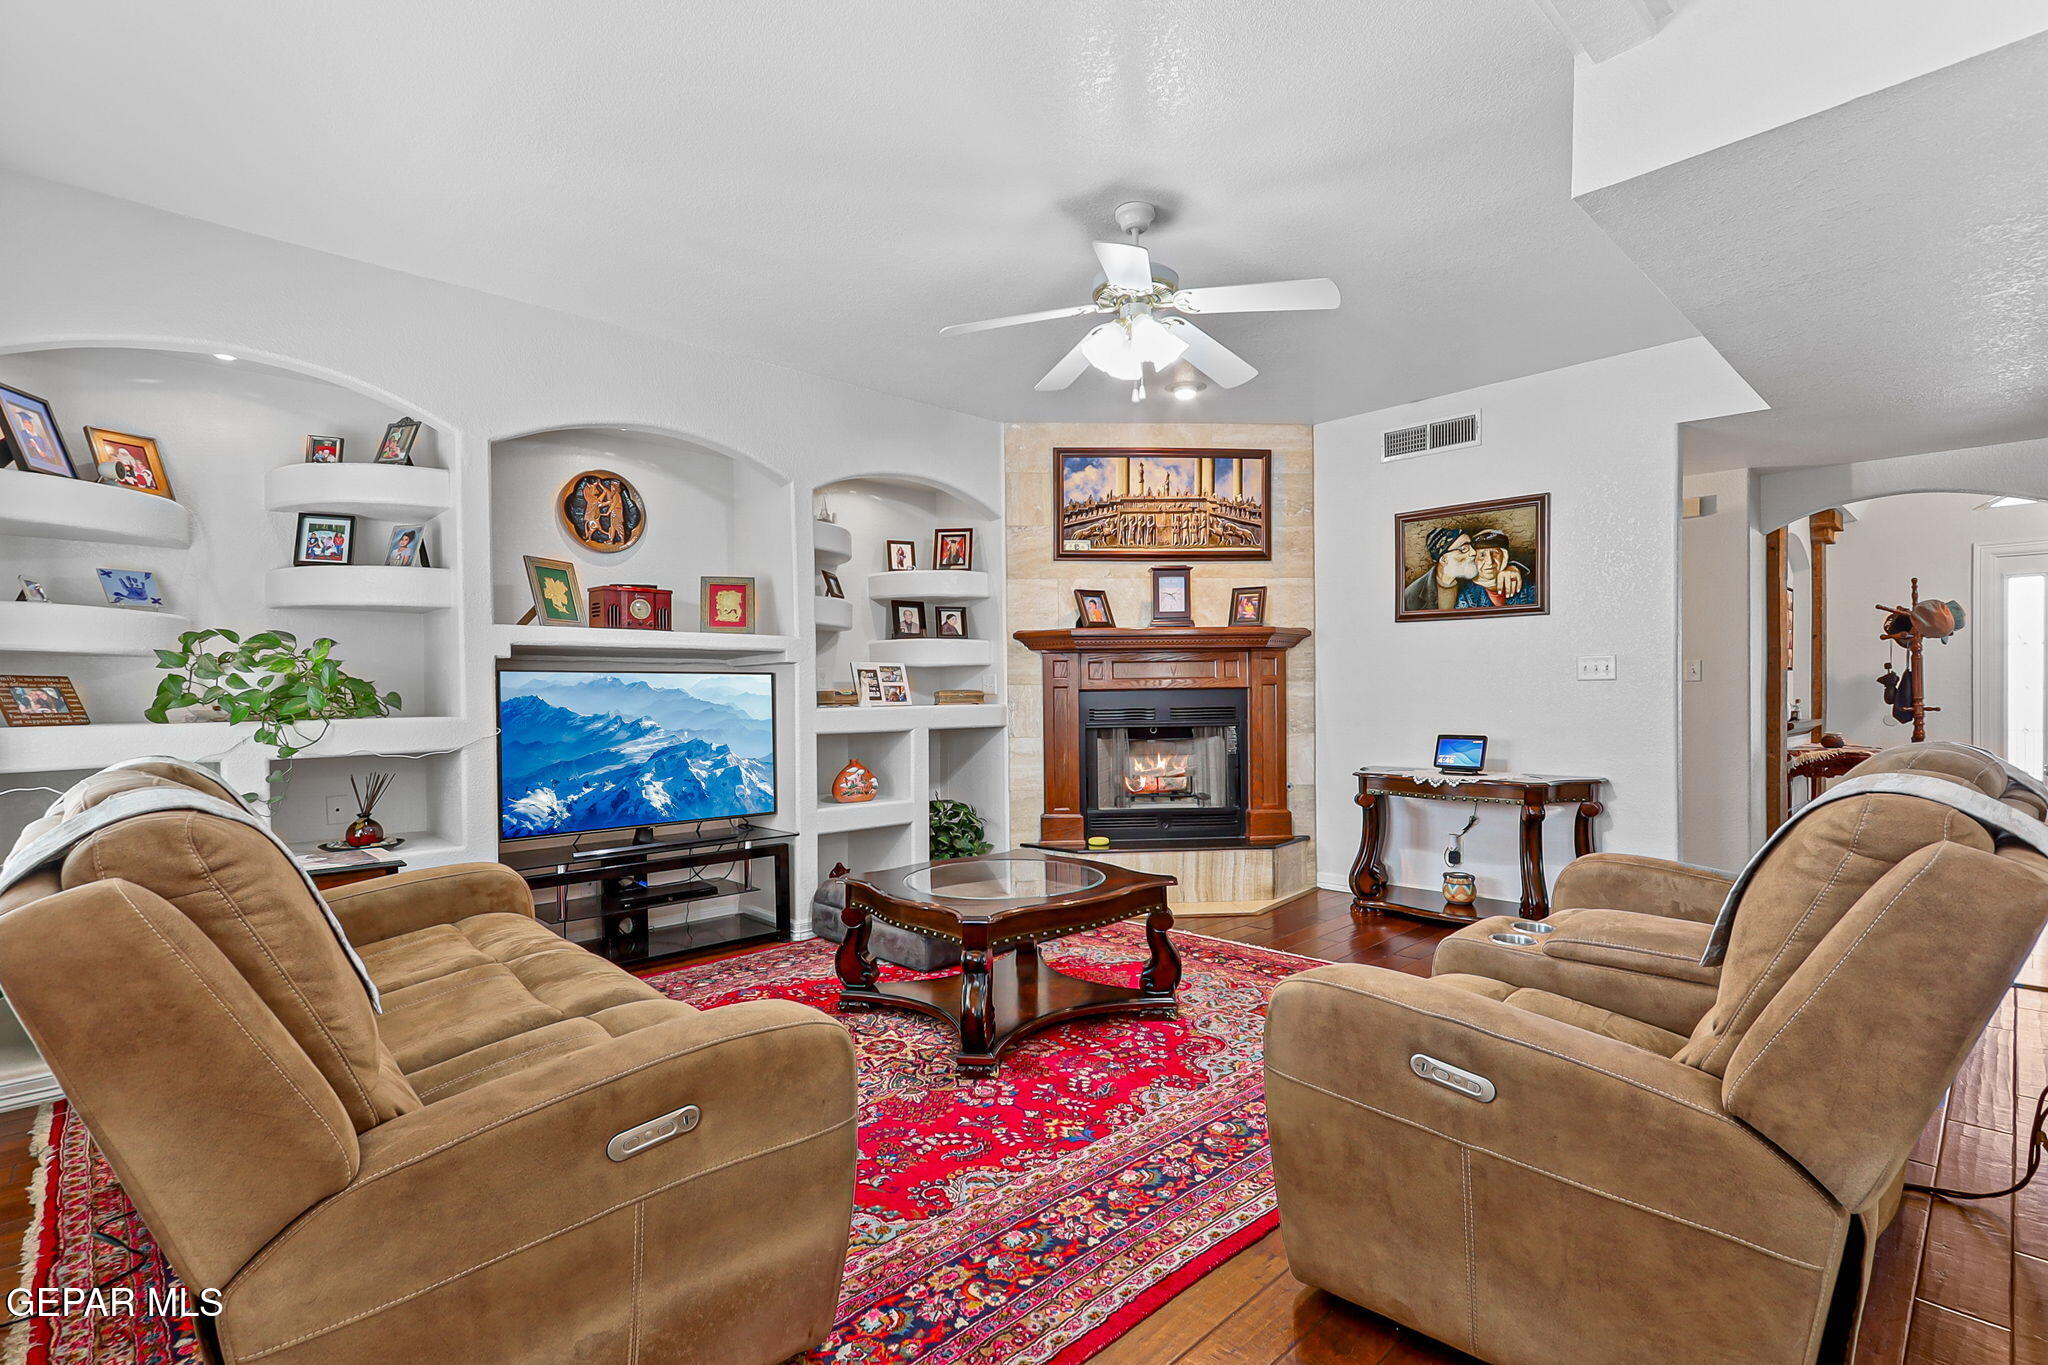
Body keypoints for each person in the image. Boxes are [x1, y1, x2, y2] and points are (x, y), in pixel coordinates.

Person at [1401, 525, 1482, 611]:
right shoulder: (1412, 594)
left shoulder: (1477, 584)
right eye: (1464, 548)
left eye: (1472, 546)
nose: (1473, 552)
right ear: (1444, 559)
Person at [1462, 529, 1536, 607]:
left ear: (1504, 557)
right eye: (1482, 555)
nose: (1490, 562)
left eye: (1495, 553)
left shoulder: (1526, 585)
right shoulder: (1466, 593)